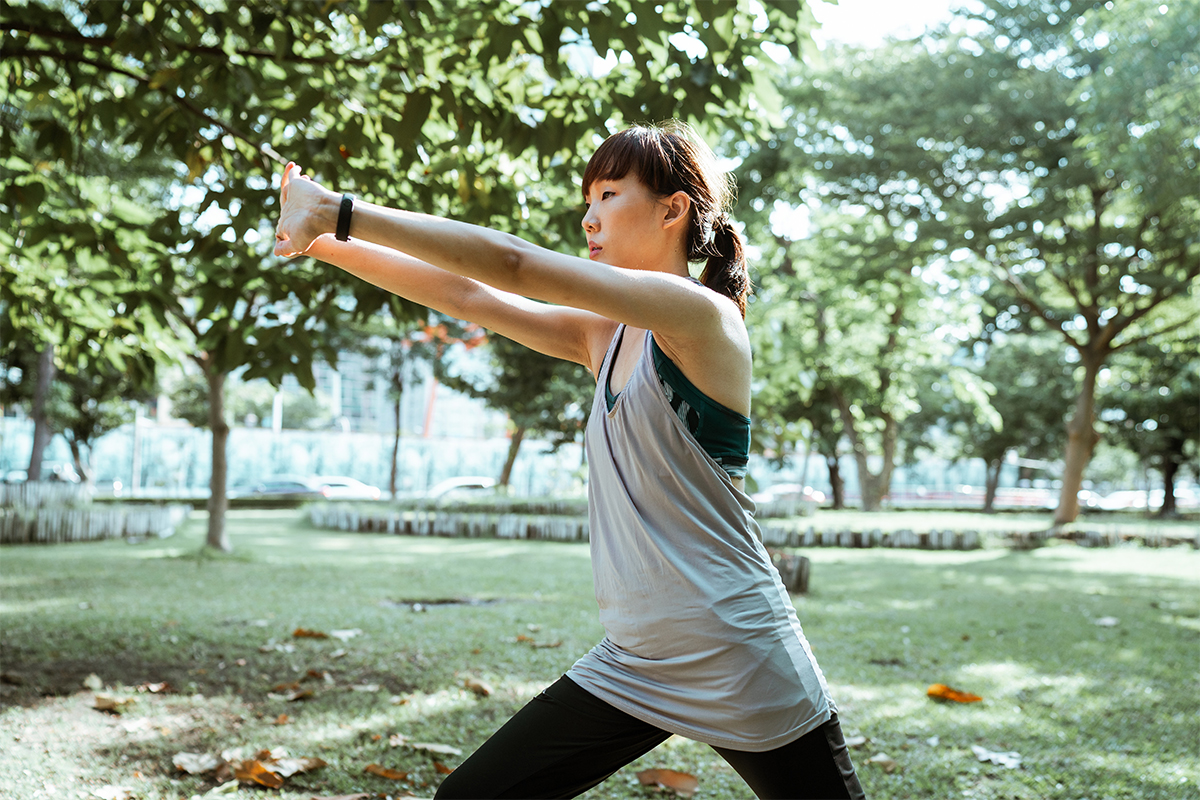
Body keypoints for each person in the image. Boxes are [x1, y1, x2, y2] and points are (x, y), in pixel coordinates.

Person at [274, 120, 865, 800]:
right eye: (588, 198)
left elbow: (516, 267)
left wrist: (340, 210)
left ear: (673, 209)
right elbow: (470, 296)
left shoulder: (703, 319)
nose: (589, 216)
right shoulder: (604, 337)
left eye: (609, 195)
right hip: (636, 660)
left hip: (738, 650)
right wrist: (324, 242)